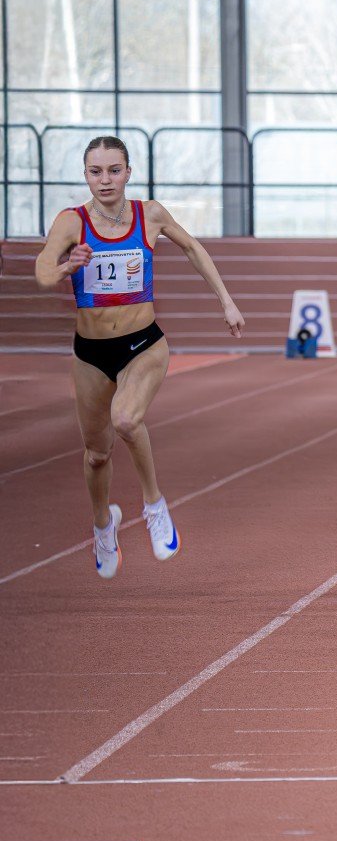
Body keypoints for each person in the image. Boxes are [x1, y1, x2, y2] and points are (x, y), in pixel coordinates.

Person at [32, 136, 245, 579]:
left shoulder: (151, 214)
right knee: (96, 454)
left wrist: (226, 300)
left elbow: (192, 248)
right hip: (91, 354)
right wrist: (67, 268)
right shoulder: (72, 222)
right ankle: (102, 524)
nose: (105, 179)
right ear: (85, 175)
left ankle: (153, 505)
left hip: (143, 344)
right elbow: (42, 271)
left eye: (113, 170)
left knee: (127, 419)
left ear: (128, 171)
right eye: (96, 171)